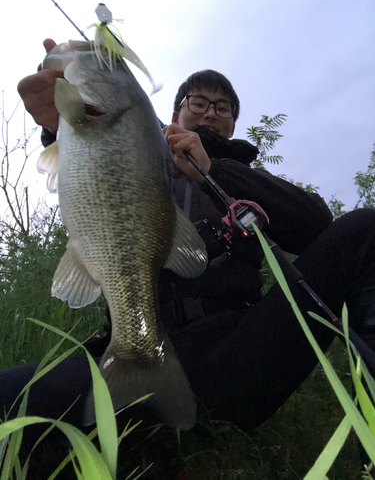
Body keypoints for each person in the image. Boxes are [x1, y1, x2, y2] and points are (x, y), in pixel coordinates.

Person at [4, 38, 375, 478]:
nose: (210, 112)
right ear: (176, 111)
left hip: (230, 360)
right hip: (122, 353)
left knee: (365, 229)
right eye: (198, 102)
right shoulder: (137, 142)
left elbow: (317, 224)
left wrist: (216, 171)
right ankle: (146, 445)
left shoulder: (245, 175)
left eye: (223, 108)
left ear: (233, 126)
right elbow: (96, 165)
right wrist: (58, 123)